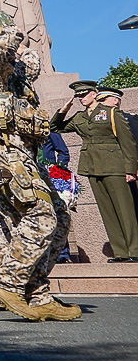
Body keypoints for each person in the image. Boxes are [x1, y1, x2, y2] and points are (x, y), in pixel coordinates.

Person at [0, 9, 79, 321]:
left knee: (59, 218)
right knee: (40, 217)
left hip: (22, 152)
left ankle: (38, 294)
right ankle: (9, 284)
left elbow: (29, 69)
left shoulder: (9, 74)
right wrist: (13, 30)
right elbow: (3, 51)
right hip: (3, 152)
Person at [52, 86, 138, 262]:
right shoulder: (79, 117)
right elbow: (54, 127)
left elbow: (127, 142)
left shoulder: (111, 113)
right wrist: (63, 110)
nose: (81, 98)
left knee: (125, 209)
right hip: (93, 167)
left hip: (115, 166)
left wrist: (130, 169)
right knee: (107, 211)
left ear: (94, 94)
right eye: (79, 96)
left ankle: (135, 251)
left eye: (84, 94)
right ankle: (120, 252)